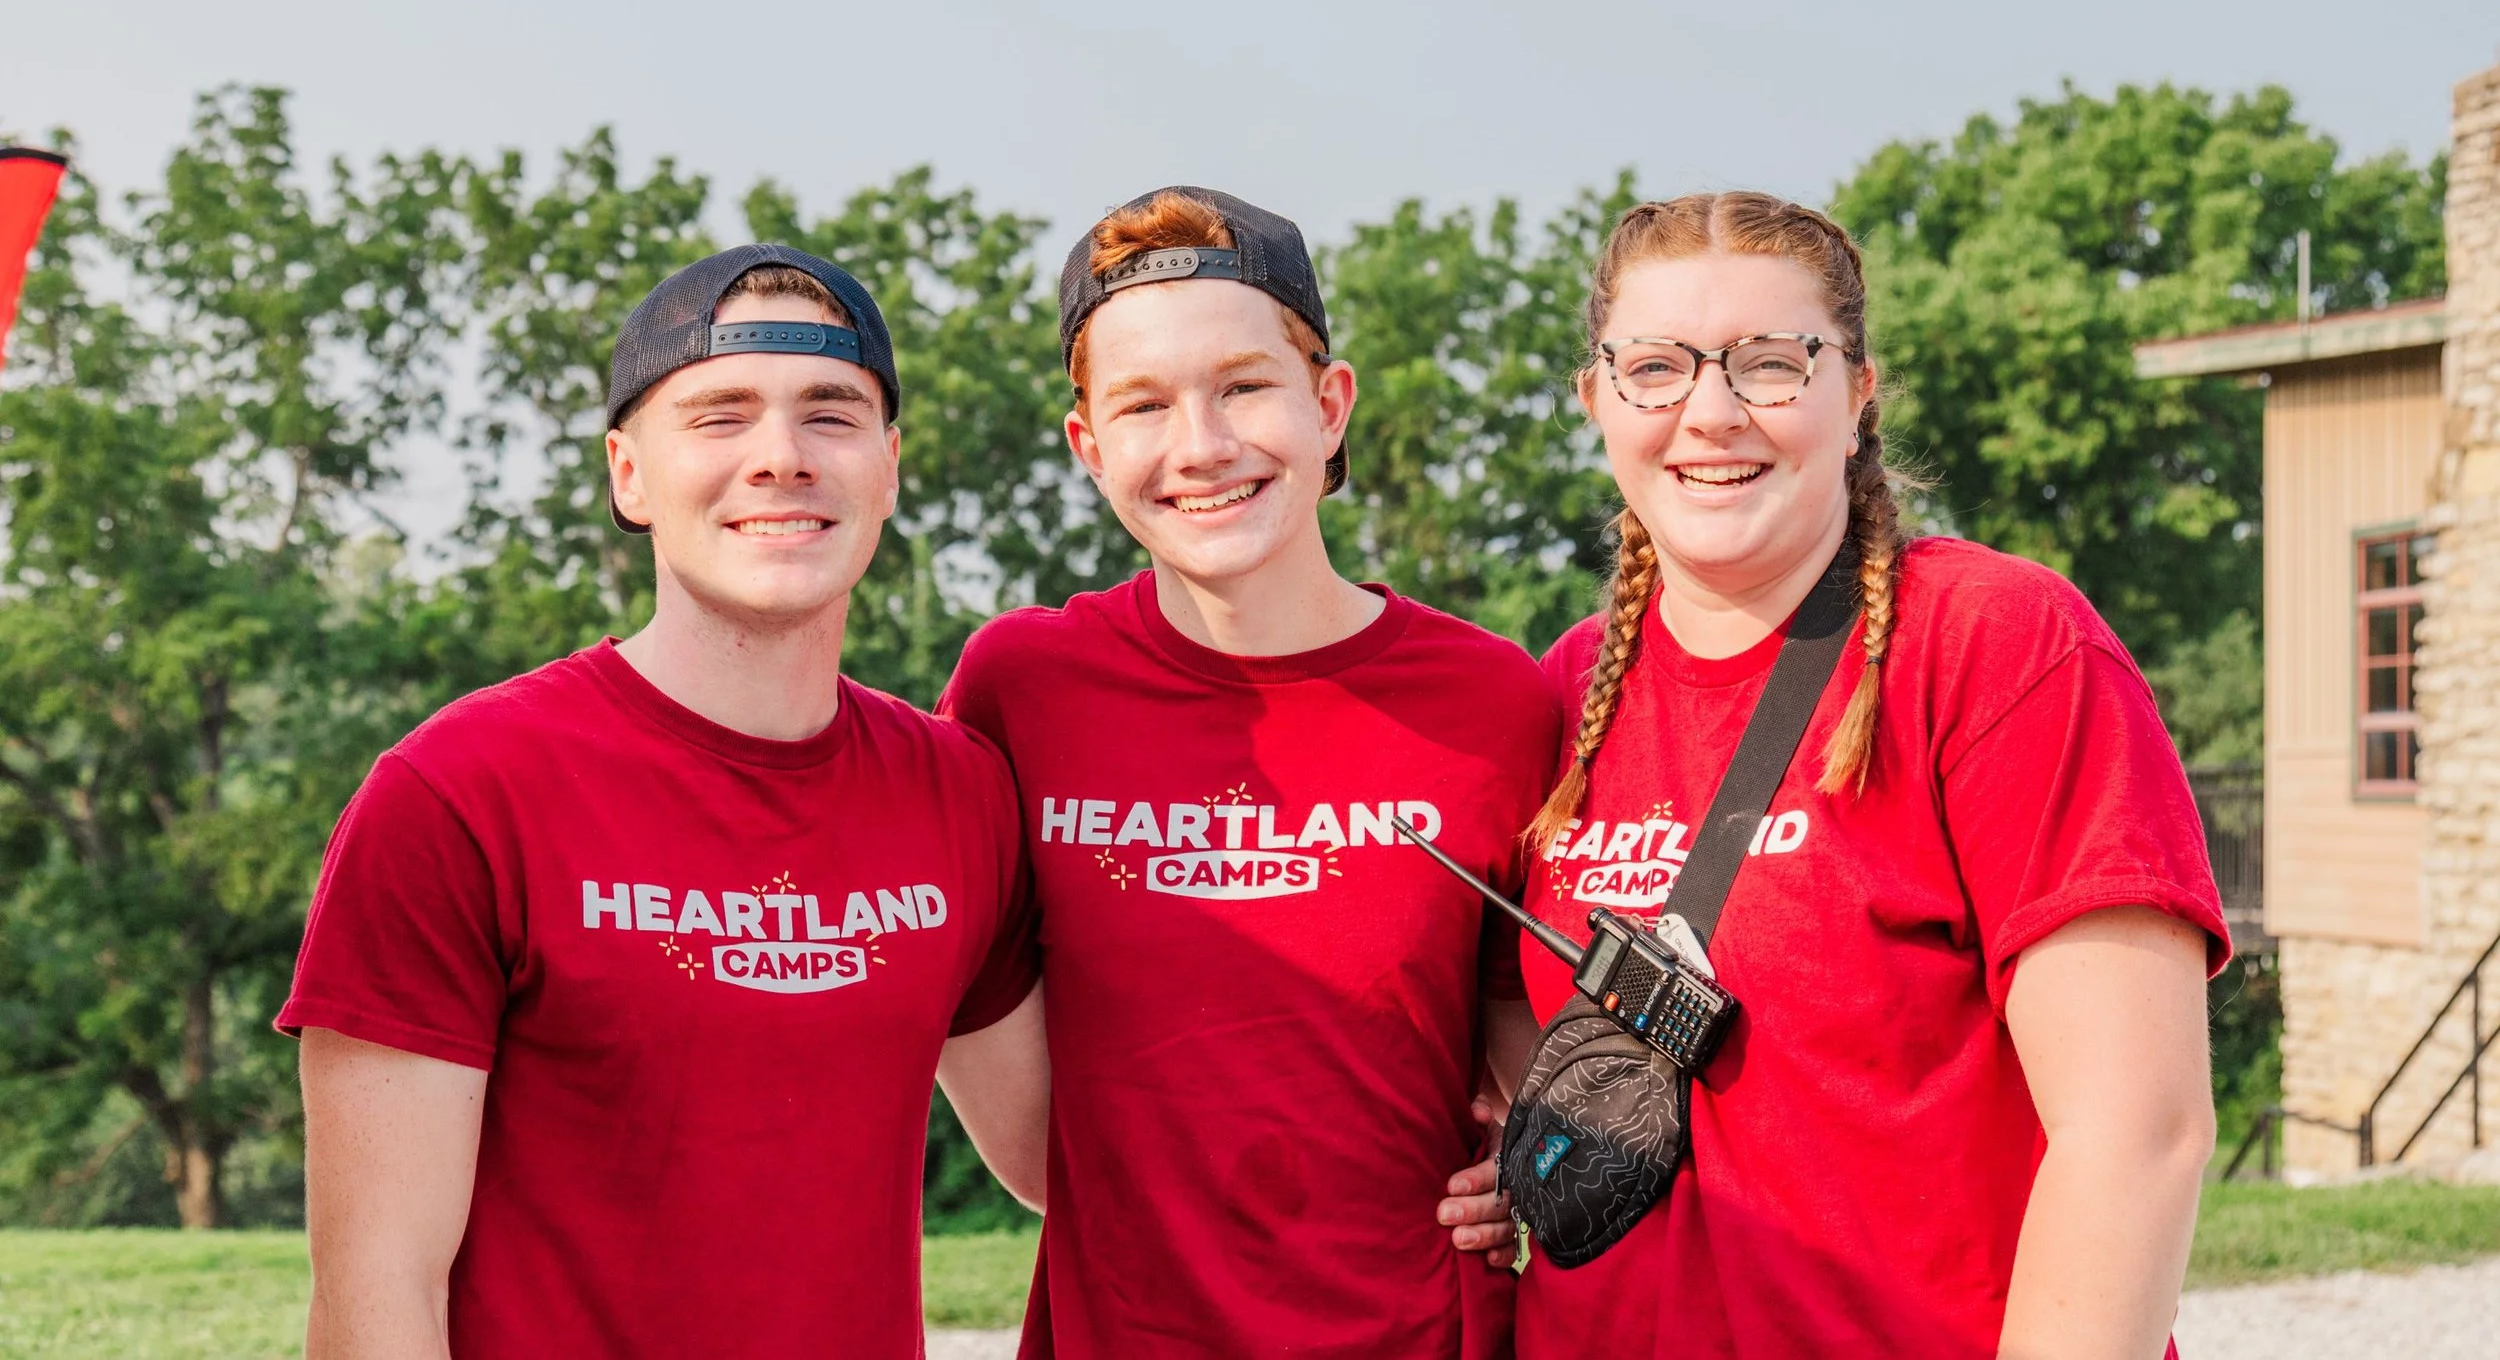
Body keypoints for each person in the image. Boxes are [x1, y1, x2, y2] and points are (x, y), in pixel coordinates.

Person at [1437, 193, 2228, 1359]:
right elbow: (1520, 1037)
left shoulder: (1992, 644)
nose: (1709, 412)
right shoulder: (1548, 700)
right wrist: (1515, 1164)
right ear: (1597, 399)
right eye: (1654, 367)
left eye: (1769, 362)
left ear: (1854, 394)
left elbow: (2138, 1132)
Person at [280, 246, 1046, 1360]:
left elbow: (1053, 1155)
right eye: (720, 416)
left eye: (829, 414)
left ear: (888, 468)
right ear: (628, 473)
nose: (780, 457)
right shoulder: (458, 793)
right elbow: (375, 1293)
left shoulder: (959, 793)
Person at [939, 186, 1559, 1359]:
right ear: (1087, 446)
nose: (1202, 446)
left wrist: (1525, 1168)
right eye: (1142, 404)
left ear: (1329, 406)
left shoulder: (1493, 704)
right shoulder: (1019, 689)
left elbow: (1530, 1066)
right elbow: (1037, 1154)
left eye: (1243, 385)